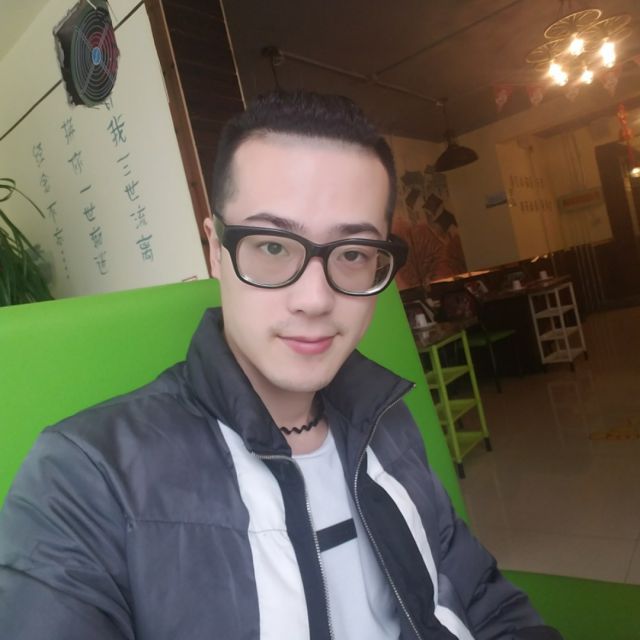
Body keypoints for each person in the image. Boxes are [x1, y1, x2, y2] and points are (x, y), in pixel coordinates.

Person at [0, 90, 561, 639]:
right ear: (215, 250)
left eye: (353, 253)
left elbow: (478, 596)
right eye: (272, 246)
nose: (314, 300)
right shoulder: (86, 479)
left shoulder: (383, 418)